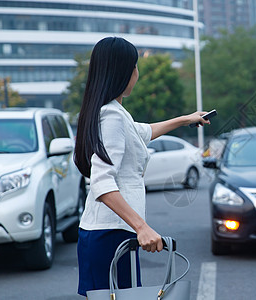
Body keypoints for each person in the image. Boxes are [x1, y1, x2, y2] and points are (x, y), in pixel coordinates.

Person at [73, 37, 209, 297]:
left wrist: (185, 119)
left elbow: (142, 132)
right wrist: (142, 227)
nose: (138, 73)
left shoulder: (112, 112)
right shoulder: (111, 116)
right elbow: (102, 182)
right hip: (110, 234)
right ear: (123, 71)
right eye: (135, 66)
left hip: (113, 233)